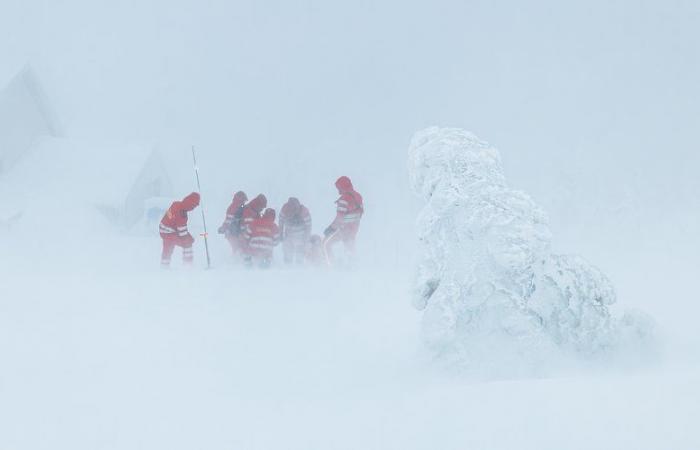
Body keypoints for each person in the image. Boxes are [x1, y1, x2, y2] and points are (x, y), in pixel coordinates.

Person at [323, 176, 363, 265]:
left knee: (327, 245)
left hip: (345, 229)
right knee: (349, 247)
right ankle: (353, 265)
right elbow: (360, 212)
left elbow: (339, 218)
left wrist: (330, 229)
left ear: (342, 186)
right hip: (355, 228)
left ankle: (333, 266)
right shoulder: (358, 196)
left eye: (338, 187)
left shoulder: (344, 199)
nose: (338, 190)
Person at [159, 192, 200, 268]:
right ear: (190, 204)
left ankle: (164, 267)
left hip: (163, 229)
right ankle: (188, 265)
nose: (193, 209)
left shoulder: (176, 204)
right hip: (169, 232)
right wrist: (190, 239)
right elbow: (183, 233)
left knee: (167, 248)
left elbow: (170, 216)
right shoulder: (182, 214)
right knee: (187, 244)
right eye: (193, 206)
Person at [279, 197, 312, 265]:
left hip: (301, 234)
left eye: (294, 210)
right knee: (287, 249)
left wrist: (306, 238)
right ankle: (288, 264)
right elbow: (281, 222)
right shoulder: (284, 209)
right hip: (288, 234)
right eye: (291, 210)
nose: (293, 212)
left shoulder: (304, 211)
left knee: (300, 251)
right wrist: (280, 233)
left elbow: (308, 226)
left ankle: (299, 264)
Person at [217, 191, 248, 257]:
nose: (244, 203)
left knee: (238, 247)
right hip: (232, 232)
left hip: (235, 231)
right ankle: (235, 262)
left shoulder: (240, 207)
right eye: (244, 201)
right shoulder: (233, 208)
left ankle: (237, 260)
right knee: (237, 248)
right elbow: (228, 220)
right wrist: (223, 228)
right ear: (240, 199)